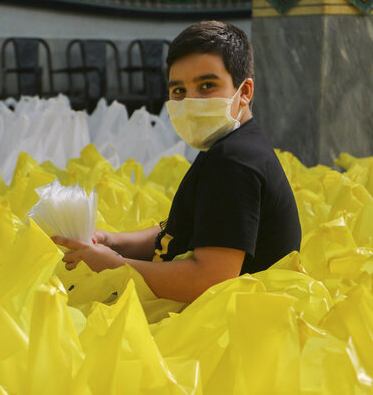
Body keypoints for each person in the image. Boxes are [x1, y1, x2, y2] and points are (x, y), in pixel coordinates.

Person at [52, 21, 301, 303]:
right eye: (179, 91)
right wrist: (112, 241)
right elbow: (179, 230)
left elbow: (208, 281)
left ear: (244, 92)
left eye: (207, 86)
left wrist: (113, 265)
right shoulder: (227, 146)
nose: (190, 101)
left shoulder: (235, 162)